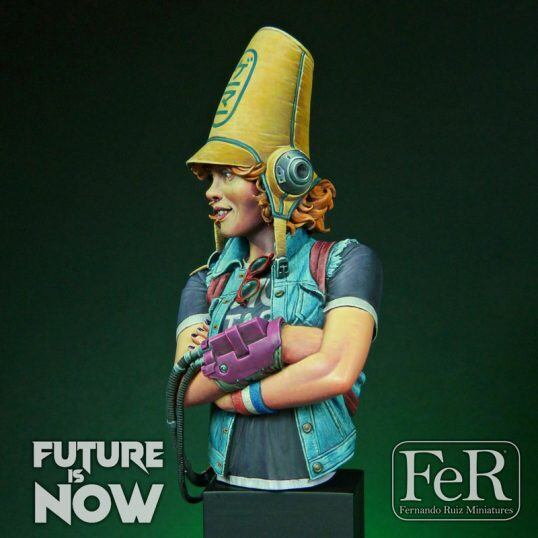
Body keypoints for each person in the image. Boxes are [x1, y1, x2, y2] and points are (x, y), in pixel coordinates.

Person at [174, 27, 382, 491]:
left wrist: (238, 392)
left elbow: (336, 368)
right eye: (209, 178)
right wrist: (286, 343)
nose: (211, 192)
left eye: (228, 175)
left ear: (281, 179)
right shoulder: (205, 282)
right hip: (229, 478)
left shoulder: (346, 263)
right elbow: (188, 385)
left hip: (316, 476)